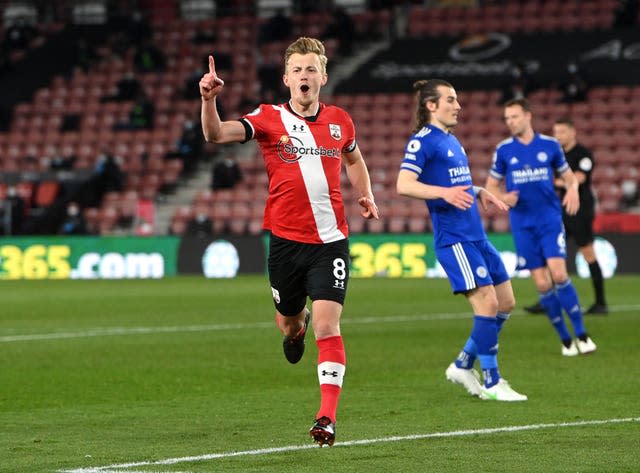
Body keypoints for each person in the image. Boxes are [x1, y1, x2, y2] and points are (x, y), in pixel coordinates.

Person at [199, 37, 379, 446]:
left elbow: (354, 158)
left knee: (330, 325)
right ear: (285, 78)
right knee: (290, 321)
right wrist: (209, 99)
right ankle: (295, 331)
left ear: (323, 76)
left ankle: (326, 417)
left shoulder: (340, 121)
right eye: (297, 69)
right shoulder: (268, 118)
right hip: (284, 243)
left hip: (331, 242)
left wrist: (365, 192)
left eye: (311, 69)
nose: (304, 75)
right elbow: (215, 135)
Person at [396, 79, 527, 402]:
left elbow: (457, 184)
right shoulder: (423, 141)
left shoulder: (451, 140)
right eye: (451, 100)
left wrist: (478, 191)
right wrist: (444, 193)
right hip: (454, 239)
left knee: (506, 302)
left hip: (476, 235)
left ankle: (462, 365)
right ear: (431, 106)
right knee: (487, 303)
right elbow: (403, 184)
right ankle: (493, 381)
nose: (458, 106)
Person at [485, 98, 597, 356]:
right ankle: (566, 340)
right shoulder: (504, 150)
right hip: (522, 224)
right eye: (507, 118)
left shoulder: (550, 145)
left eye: (514, 117)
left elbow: (570, 178)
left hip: (549, 219)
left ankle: (582, 333)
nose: (510, 122)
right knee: (542, 284)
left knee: (558, 274)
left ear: (527, 116)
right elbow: (491, 186)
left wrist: (574, 191)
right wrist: (502, 197)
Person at [523, 118, 608, 315]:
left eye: (562, 132)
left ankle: (601, 303)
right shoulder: (556, 155)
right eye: (556, 132)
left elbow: (578, 179)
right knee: (550, 254)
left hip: (580, 210)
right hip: (560, 210)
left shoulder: (583, 154)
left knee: (588, 253)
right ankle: (547, 301)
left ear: (572, 132)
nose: (558, 136)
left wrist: (553, 180)